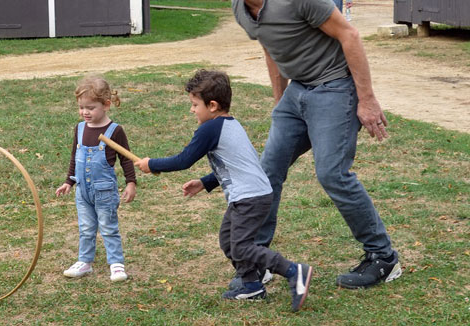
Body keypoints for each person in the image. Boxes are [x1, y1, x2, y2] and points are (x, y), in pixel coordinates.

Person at [190, 0, 401, 290]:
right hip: (297, 93)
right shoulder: (242, 9)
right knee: (265, 172)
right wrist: (280, 101)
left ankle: (383, 257)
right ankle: (257, 259)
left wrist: (366, 100)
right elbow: (272, 48)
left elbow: (349, 35)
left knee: (332, 174)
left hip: (334, 87)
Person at [135, 70, 312, 311]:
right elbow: (235, 166)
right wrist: (205, 182)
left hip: (250, 197)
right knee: (229, 241)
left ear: (213, 105)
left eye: (195, 105)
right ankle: (252, 286)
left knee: (241, 246)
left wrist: (150, 164)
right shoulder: (230, 124)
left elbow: (184, 159)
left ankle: (294, 271)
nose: (192, 110)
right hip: (253, 194)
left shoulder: (211, 128)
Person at [55, 76, 136, 282]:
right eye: (81, 108)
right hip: (83, 191)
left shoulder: (114, 131)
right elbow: (75, 157)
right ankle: (85, 262)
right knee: (86, 228)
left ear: (106, 105)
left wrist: (131, 183)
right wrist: (68, 181)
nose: (85, 112)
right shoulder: (80, 129)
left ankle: (116, 264)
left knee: (108, 227)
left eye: (90, 108)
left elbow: (126, 159)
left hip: (104, 191)